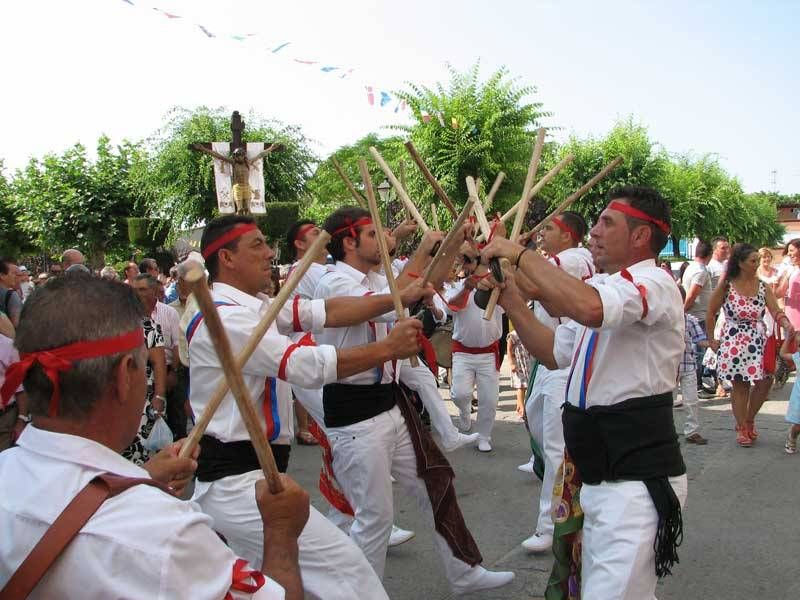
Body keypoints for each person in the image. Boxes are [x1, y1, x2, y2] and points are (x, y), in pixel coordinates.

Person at [0, 274, 306, 599]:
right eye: (144, 364)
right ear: (124, 375)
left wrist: (141, 477)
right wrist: (281, 533)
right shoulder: (168, 533)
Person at [189, 214, 431, 600]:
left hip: (253, 479)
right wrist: (387, 349)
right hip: (237, 482)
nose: (270, 253)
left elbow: (325, 312)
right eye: (257, 246)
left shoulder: (257, 306)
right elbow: (302, 365)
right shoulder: (226, 317)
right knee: (352, 578)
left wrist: (399, 297)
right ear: (226, 258)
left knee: (273, 589)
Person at [482, 185, 688, 599]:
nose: (593, 232)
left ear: (640, 236)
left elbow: (591, 309)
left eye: (606, 222)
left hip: (634, 482)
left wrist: (518, 253)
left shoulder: (654, 283)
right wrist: (510, 300)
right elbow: (553, 352)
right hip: (597, 480)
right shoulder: (606, 287)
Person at [313, 207, 514, 595]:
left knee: (435, 482)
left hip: (390, 403)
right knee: (374, 519)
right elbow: (394, 296)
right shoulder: (333, 282)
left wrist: (455, 240)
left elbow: (422, 286)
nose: (384, 240)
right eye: (374, 234)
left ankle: (463, 571)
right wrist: (422, 252)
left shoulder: (376, 276)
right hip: (353, 412)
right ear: (349, 242)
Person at [515, 211, 594, 554]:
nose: (541, 232)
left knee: (554, 447)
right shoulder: (559, 260)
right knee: (539, 430)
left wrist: (509, 255)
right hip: (550, 356)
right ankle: (578, 494)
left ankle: (550, 525)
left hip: (566, 361)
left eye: (549, 227)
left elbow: (531, 284)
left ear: (568, 235)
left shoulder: (573, 259)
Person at [707, 243, 792, 447]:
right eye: (753, 261)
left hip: (758, 339)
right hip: (734, 339)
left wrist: (786, 323)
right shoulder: (727, 284)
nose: (757, 264)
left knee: (765, 382)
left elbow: (775, 310)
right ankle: (741, 427)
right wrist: (712, 340)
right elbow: (710, 312)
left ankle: (750, 419)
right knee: (740, 385)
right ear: (741, 263)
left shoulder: (762, 286)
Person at [445, 243, 504, 452]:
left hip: (488, 353)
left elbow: (509, 306)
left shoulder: (498, 283)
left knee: (489, 400)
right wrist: (468, 287)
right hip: (463, 352)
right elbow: (450, 308)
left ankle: (484, 436)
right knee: (460, 394)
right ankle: (463, 412)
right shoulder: (459, 285)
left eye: (467, 260)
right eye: (463, 261)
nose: (463, 265)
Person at [675, 285, 709, 444]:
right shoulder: (661, 320)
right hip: (667, 367)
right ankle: (668, 430)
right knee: (666, 401)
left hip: (688, 364)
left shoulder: (689, 320)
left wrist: (712, 344)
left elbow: (700, 339)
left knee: (691, 400)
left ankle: (692, 431)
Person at [681, 240, 714, 399]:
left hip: (695, 314)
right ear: (709, 254)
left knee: (697, 352)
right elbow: (693, 294)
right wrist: (683, 310)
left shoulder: (690, 267)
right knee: (698, 353)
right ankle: (697, 387)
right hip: (698, 316)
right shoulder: (700, 271)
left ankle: (696, 386)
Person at [780, 332, 800, 454]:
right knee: (798, 425)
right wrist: (787, 340)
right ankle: (792, 437)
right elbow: (782, 354)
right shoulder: (797, 356)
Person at [507, 329, 530, 418]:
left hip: (527, 363)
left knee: (527, 385)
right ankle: (521, 407)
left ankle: (521, 405)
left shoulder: (528, 332)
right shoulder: (513, 335)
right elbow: (509, 350)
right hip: (519, 365)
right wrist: (512, 363)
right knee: (521, 386)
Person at [0, 258, 22, 328]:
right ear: (2, 276)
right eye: (13, 274)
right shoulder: (11, 295)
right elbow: (17, 324)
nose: (15, 277)